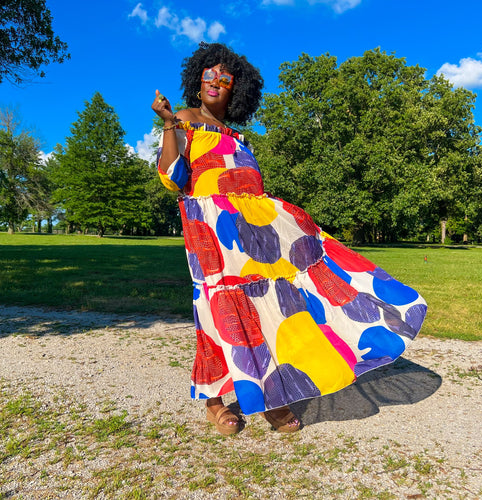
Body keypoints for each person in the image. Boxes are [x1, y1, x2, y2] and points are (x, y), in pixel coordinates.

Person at [152, 42, 427, 436]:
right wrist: (167, 122)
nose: (215, 81)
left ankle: (269, 398)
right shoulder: (184, 119)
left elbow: (250, 189)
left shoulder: (240, 137)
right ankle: (214, 403)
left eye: (224, 77)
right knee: (217, 312)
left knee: (267, 309)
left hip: (253, 236)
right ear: (197, 81)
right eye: (208, 74)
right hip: (210, 233)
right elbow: (172, 176)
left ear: (236, 89)